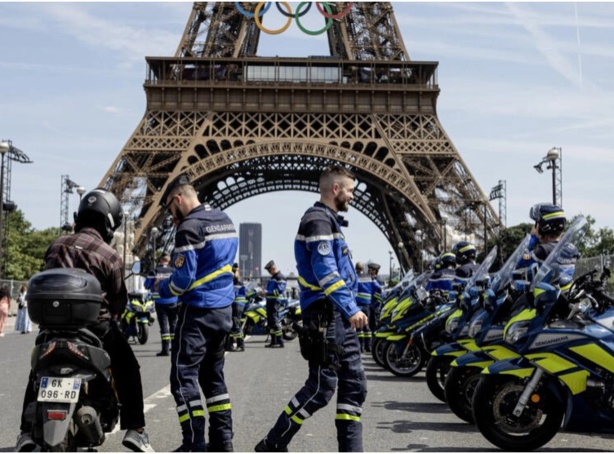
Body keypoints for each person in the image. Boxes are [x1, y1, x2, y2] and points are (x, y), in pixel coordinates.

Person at [16, 188, 153, 452]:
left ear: (79, 217)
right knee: (127, 368)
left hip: (53, 328)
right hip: (94, 329)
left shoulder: (56, 245)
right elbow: (118, 300)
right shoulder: (108, 255)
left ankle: (25, 432)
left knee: (37, 372)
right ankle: (136, 430)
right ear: (110, 224)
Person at [255, 165, 368, 452]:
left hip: (340, 315)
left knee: (354, 386)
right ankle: (273, 443)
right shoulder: (318, 220)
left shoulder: (330, 221)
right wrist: (351, 308)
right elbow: (326, 271)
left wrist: (350, 308)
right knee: (321, 388)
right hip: (326, 314)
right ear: (335, 189)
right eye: (351, 191)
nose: (353, 197)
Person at [154, 173, 238, 452]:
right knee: (214, 378)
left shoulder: (189, 227)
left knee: (183, 377)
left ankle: (194, 443)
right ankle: (222, 442)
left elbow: (183, 279)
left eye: (169, 208)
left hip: (198, 313)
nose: (170, 215)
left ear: (178, 199)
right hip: (224, 310)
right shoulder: (224, 220)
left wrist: (164, 287)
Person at [144, 254, 178, 357]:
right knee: (173, 324)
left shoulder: (154, 271)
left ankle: (165, 349)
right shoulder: (174, 271)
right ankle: (175, 347)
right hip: (173, 300)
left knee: (164, 326)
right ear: (169, 260)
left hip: (160, 301)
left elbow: (146, 285)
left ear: (160, 260)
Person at [355, 262, 382, 353]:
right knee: (367, 326)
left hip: (358, 304)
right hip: (367, 304)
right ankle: (368, 346)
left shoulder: (355, 277)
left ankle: (361, 347)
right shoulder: (369, 277)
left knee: (359, 327)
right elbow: (378, 288)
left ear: (356, 268)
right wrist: (375, 301)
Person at [260, 260, 287, 348]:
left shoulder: (280, 277)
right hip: (270, 302)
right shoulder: (273, 278)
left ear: (273, 268)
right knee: (271, 322)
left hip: (275, 302)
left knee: (275, 321)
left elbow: (279, 291)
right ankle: (273, 341)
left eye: (269, 270)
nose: (269, 272)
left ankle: (280, 341)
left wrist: (267, 292)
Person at [227, 263, 247, 352]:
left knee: (235, 324)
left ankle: (241, 345)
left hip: (236, 304)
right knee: (234, 324)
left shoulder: (234, 281)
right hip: (238, 304)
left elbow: (231, 294)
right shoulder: (239, 280)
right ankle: (230, 345)